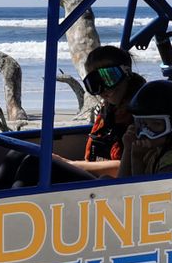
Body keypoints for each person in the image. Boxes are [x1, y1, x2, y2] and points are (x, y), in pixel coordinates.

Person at [59, 45, 144, 179]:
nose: (103, 89)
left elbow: (130, 168)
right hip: (95, 181)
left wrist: (68, 164)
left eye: (109, 78)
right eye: (94, 83)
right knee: (18, 156)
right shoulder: (108, 112)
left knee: (34, 164)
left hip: (114, 186)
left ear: (127, 73)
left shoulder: (142, 112)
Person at [119, 79, 172, 177]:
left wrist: (137, 160)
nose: (146, 131)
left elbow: (144, 191)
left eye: (156, 124)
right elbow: (120, 181)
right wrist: (128, 149)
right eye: (143, 124)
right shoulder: (153, 150)